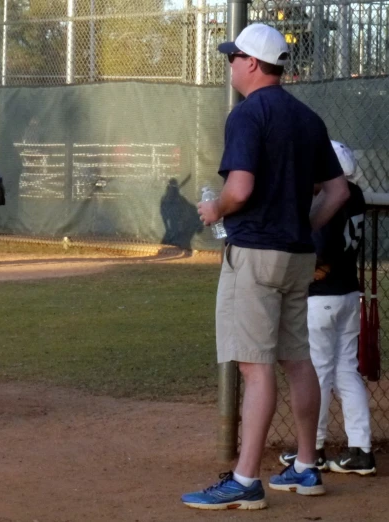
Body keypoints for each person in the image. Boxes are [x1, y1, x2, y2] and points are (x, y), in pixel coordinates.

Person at [182, 23, 350, 510]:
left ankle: (245, 479)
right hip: (298, 256)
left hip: (255, 253)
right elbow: (337, 191)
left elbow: (239, 190)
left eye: (234, 57)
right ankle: (305, 466)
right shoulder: (307, 118)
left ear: (252, 63)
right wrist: (304, 226)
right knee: (298, 361)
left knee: (256, 369)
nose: (230, 64)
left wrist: (216, 211)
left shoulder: (247, 113)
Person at [278, 141, 376, 476]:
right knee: (346, 370)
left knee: (317, 372)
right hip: (349, 293)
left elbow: (319, 252)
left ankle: (313, 449)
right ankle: (361, 449)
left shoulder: (327, 198)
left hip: (321, 297)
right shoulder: (357, 194)